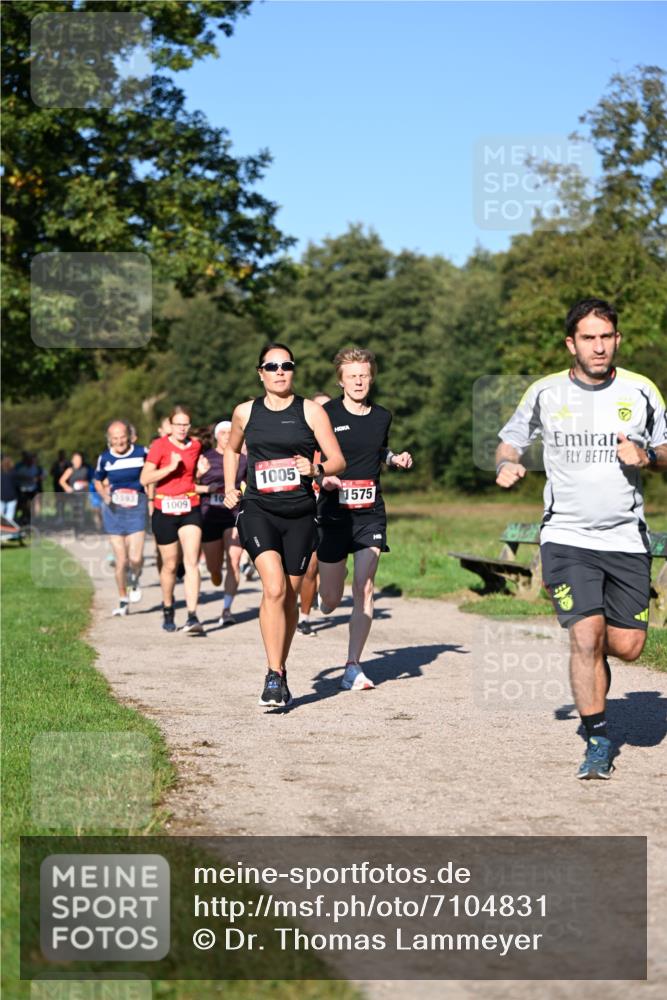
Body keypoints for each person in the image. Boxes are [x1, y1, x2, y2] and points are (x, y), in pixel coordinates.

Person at [496, 297, 667, 780]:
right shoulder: (545, 393)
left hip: (626, 538)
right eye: (588, 338)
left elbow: (666, 446)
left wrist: (648, 457)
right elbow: (511, 440)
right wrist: (507, 463)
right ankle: (597, 738)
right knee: (586, 634)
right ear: (571, 343)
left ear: (617, 340)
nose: (598, 346)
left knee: (629, 645)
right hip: (566, 535)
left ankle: (588, 663)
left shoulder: (642, 390)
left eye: (606, 337)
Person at [223, 343, 345, 708]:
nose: (280, 371)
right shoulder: (245, 412)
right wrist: (231, 488)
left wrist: (317, 469)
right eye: (271, 366)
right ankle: (273, 674)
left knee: (289, 597)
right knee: (274, 588)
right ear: (259, 372)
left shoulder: (310, 411)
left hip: (300, 514)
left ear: (293, 371)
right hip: (258, 508)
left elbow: (338, 459)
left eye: (286, 365)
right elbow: (231, 449)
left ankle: (282, 668)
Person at [317, 348, 413, 690]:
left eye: (364, 375)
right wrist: (321, 478)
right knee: (329, 601)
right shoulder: (324, 414)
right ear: (341, 380)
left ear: (371, 378)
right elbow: (314, 459)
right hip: (333, 511)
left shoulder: (382, 416)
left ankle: (353, 666)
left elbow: (377, 449)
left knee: (364, 587)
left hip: (370, 512)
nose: (358, 381)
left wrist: (394, 457)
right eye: (352, 375)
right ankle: (326, 586)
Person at [141, 406, 208, 634]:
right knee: (170, 564)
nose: (182, 428)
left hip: (190, 505)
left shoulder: (196, 445)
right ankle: (168, 608)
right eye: (178, 424)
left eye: (186, 424)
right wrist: (169, 467)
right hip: (164, 507)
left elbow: (193, 474)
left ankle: (192, 615)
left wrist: (201, 471)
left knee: (191, 562)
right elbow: (145, 477)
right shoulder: (159, 446)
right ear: (170, 425)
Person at [94, 420, 148, 617]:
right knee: (121, 560)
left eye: (122, 437)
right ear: (109, 440)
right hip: (114, 512)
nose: (119, 441)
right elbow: (97, 480)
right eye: (115, 438)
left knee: (135, 558)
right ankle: (123, 599)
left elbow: (152, 473)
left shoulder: (142, 452)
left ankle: (135, 578)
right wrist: (104, 495)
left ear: (129, 436)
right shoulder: (105, 458)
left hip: (136, 510)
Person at [199, 420, 247, 626]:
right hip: (210, 515)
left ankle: (226, 609)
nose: (228, 436)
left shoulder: (243, 459)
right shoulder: (205, 458)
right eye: (224, 432)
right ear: (216, 436)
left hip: (233, 514)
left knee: (234, 561)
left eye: (231, 432)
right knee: (214, 568)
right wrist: (203, 482)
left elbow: (249, 485)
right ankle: (215, 573)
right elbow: (190, 486)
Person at [297, 392, 332, 636]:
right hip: (306, 509)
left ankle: (333, 580)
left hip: (335, 509)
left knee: (328, 563)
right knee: (310, 567)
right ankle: (305, 617)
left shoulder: (338, 443)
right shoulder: (300, 440)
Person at [59, 451, 91, 534]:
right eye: (76, 460)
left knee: (82, 511)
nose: (78, 461)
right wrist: (67, 488)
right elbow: (62, 481)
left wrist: (85, 484)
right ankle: (76, 530)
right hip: (72, 495)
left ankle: (80, 529)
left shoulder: (85, 469)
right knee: (75, 511)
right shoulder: (70, 470)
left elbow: (89, 482)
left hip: (82, 494)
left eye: (79, 459)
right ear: (72, 461)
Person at [15, 451, 43, 522]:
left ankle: (36, 518)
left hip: (33, 489)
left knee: (36, 504)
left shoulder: (36, 468)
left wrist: (38, 478)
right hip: (24, 490)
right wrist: (28, 478)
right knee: (25, 505)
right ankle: (25, 517)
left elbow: (43, 475)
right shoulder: (21, 468)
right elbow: (17, 476)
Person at [50, 449, 70, 521]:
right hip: (57, 485)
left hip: (65, 485)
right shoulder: (55, 464)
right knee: (58, 501)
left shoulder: (68, 464)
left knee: (64, 501)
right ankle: (59, 515)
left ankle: (63, 515)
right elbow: (51, 472)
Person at [1, 457, 19, 522]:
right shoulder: (14, 473)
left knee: (1, 516)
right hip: (12, 497)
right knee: (9, 518)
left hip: (1, 497)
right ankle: (8, 531)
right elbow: (17, 484)